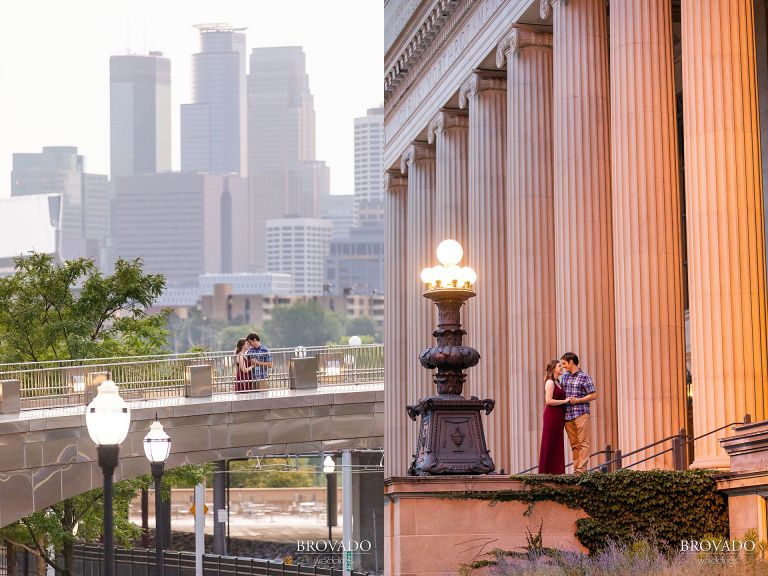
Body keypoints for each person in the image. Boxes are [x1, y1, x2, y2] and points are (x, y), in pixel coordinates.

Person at [560, 352, 597, 474]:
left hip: (581, 413)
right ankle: (576, 470)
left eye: (564, 363)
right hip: (567, 415)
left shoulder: (584, 377)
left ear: (571, 362)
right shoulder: (564, 377)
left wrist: (578, 400)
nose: (563, 366)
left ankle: (581, 470)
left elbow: (593, 395)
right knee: (574, 444)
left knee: (583, 443)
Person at [538, 360, 571, 474]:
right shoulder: (550, 382)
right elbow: (548, 401)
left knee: (557, 442)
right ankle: (546, 471)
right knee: (549, 441)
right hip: (551, 415)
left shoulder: (558, 382)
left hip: (558, 415)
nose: (562, 367)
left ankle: (557, 471)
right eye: (559, 365)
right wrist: (565, 401)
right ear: (553, 368)